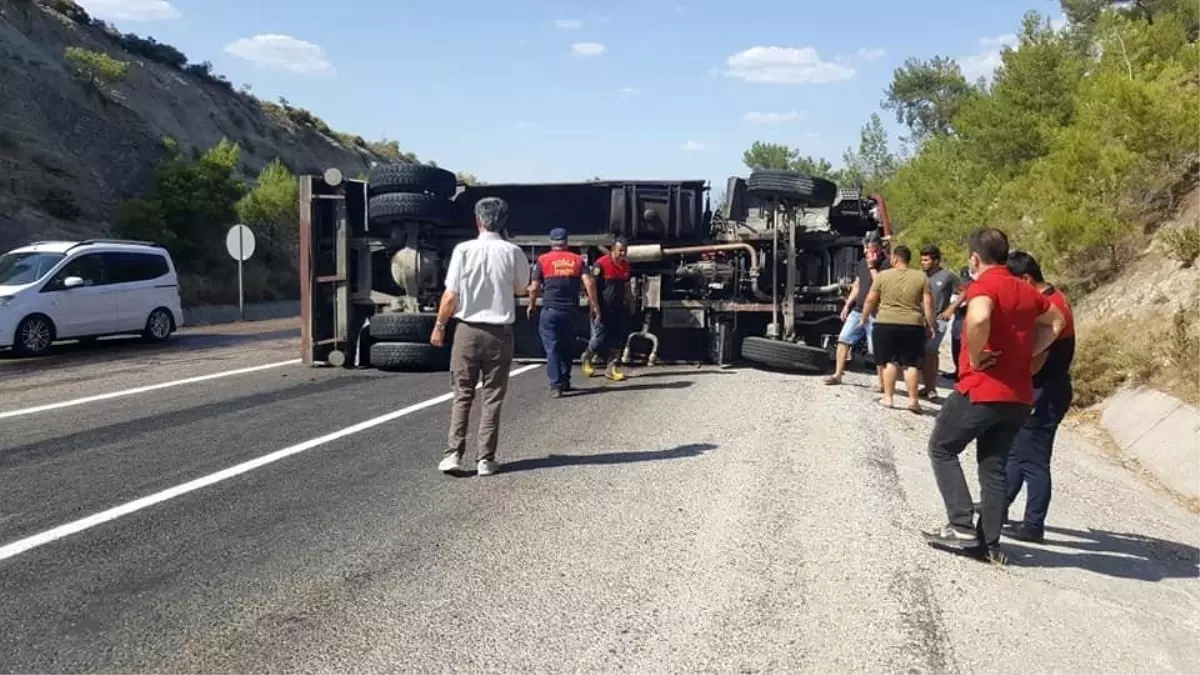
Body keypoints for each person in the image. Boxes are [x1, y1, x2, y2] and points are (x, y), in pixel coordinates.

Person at [922, 228, 1066, 564]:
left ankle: (959, 524)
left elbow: (980, 316)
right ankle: (989, 544)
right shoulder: (1025, 289)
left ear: (975, 258)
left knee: (941, 448)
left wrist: (975, 355)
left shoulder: (984, 285)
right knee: (995, 466)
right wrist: (1027, 353)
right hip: (1018, 396)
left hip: (983, 388)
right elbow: (1056, 322)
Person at [431, 196, 530, 477]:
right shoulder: (513, 252)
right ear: (504, 222)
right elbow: (521, 289)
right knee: (492, 397)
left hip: (467, 330)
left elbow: (451, 295)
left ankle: (452, 454)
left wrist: (440, 325)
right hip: (500, 333)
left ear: (477, 221)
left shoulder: (463, 250)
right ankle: (485, 459)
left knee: (462, 394)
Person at [1003, 250, 1076, 543]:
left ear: (1026, 279)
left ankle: (1033, 525)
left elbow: (1035, 361)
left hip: (1045, 391)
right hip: (1046, 389)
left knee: (1034, 461)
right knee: (1017, 454)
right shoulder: (1055, 299)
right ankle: (998, 506)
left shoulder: (1048, 312)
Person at [859, 245, 935, 413]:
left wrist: (864, 317)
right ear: (909, 259)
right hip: (913, 324)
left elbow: (871, 300)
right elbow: (928, 304)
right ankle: (913, 401)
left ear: (894, 258)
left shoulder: (883, 276)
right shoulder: (921, 276)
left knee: (889, 362)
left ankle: (888, 398)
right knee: (911, 365)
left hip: (886, 322)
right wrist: (930, 325)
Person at [528, 228, 599, 397]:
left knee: (552, 348)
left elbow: (535, 286)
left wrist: (531, 304)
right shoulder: (577, 260)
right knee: (567, 345)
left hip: (550, 310)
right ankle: (566, 380)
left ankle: (556, 385)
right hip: (570, 311)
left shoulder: (543, 260)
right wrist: (594, 305)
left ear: (551, 243)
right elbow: (589, 282)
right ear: (566, 242)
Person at [825, 233, 889, 386]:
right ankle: (837, 374)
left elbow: (882, 285)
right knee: (843, 339)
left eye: (870, 249)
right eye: (865, 249)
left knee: (876, 349)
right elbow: (858, 284)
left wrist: (873, 267)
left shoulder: (886, 264)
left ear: (879, 249)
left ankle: (882, 383)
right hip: (858, 310)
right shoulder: (862, 262)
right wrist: (847, 305)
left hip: (876, 312)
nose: (866, 252)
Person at [582, 237, 636, 381]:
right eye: (620, 251)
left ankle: (611, 369)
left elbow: (626, 286)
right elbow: (592, 285)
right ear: (613, 250)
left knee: (616, 339)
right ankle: (587, 357)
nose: (623, 254)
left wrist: (631, 301)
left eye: (625, 251)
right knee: (599, 337)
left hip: (617, 308)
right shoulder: (602, 264)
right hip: (602, 307)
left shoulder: (625, 266)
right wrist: (595, 306)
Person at [919, 245, 960, 403]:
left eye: (926, 260)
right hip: (919, 319)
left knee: (930, 351)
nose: (923, 262)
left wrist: (951, 308)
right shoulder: (920, 275)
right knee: (921, 353)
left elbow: (966, 290)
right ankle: (925, 385)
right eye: (922, 259)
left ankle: (931, 389)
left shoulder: (947, 276)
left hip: (938, 320)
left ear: (935, 261)